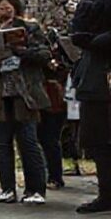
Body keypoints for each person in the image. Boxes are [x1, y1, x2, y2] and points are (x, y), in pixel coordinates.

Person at [0, 0, 51, 205]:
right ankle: (7, 188)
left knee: (29, 142)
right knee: (2, 145)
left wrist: (21, 51)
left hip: (25, 96)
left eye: (7, 8)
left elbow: (44, 55)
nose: (3, 13)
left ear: (15, 9)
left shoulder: (31, 30)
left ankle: (35, 189)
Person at [69, 0, 111, 214]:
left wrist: (94, 40)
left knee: (102, 137)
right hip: (95, 69)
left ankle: (107, 194)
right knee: (98, 139)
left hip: (102, 71)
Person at [39, 27, 71, 190]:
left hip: (53, 100)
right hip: (48, 100)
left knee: (49, 139)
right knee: (44, 139)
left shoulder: (57, 57)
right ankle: (48, 175)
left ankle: (55, 176)